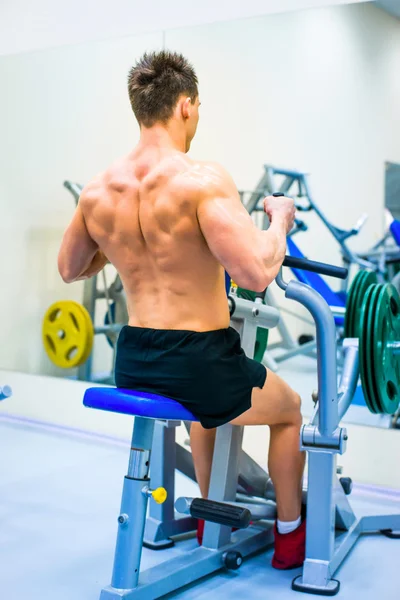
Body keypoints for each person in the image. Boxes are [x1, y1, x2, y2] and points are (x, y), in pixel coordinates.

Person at [58, 50, 306, 569]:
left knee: (204, 414)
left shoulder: (99, 190)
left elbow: (71, 268)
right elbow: (256, 273)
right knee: (290, 410)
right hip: (200, 363)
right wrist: (279, 220)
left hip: (134, 361)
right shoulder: (202, 179)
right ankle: (290, 535)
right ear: (186, 107)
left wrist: (119, 243)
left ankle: (206, 519)